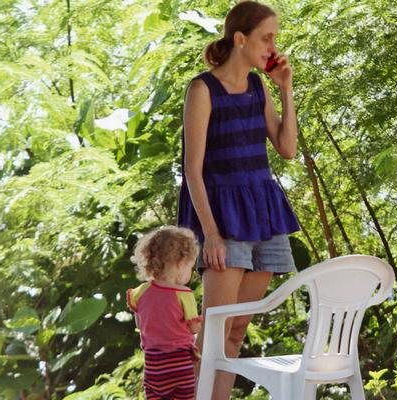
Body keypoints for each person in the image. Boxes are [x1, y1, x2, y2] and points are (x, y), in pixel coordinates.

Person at [177, 1, 300, 399]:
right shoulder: (202, 89)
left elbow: (287, 149)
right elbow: (192, 170)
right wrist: (210, 235)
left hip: (264, 212)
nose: (272, 46)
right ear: (240, 38)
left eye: (274, 39)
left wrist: (286, 89)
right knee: (213, 336)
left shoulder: (258, 87)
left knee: (235, 334)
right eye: (266, 38)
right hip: (223, 218)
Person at [126, 226, 204, 400]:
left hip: (153, 364)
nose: (190, 273)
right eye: (190, 267)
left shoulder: (140, 291)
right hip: (180, 363)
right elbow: (193, 328)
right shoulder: (184, 294)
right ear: (180, 263)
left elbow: (140, 324)